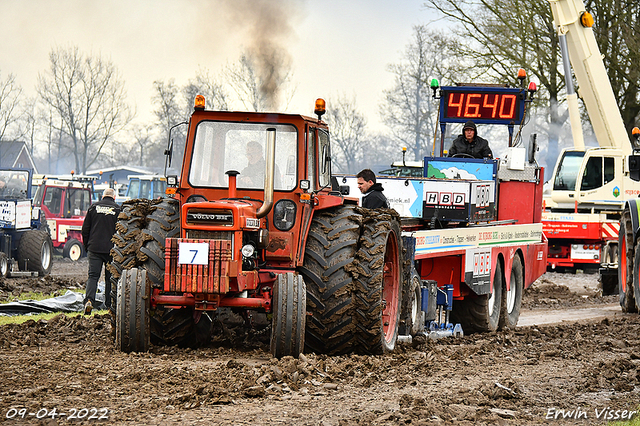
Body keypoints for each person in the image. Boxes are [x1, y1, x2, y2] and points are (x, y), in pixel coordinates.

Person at [81, 187, 121, 315]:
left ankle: (89, 301)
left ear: (102, 196)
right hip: (111, 250)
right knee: (110, 278)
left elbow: (85, 229)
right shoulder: (118, 209)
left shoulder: (93, 207)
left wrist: (87, 246)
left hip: (94, 248)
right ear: (114, 197)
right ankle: (109, 306)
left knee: (93, 276)